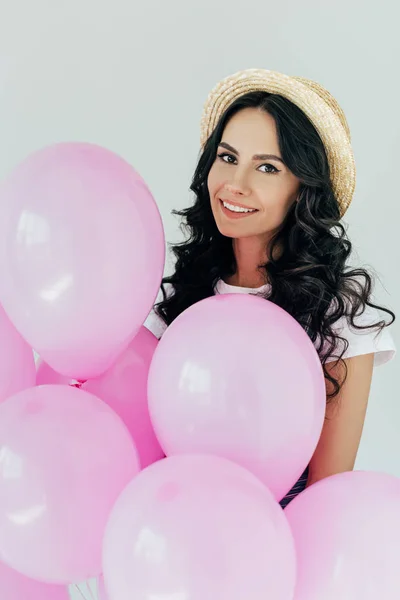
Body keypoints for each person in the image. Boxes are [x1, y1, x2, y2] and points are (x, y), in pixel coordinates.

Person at [145, 68, 396, 508]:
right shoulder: (175, 298)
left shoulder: (339, 313)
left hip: (276, 559)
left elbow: (324, 498)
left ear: (303, 188)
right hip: (171, 547)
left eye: (267, 167)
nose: (235, 184)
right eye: (227, 157)